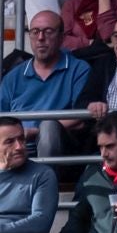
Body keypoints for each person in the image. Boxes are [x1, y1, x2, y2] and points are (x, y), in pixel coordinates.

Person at [0, 13, 93, 160]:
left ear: (61, 37)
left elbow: (81, 118)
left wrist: (38, 132)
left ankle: (44, 174)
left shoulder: (79, 69)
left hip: (60, 148)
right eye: (35, 31)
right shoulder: (13, 76)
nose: (41, 38)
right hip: (16, 149)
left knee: (48, 127)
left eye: (48, 31)